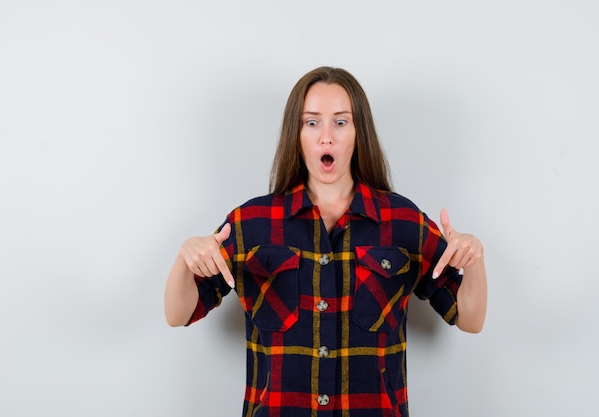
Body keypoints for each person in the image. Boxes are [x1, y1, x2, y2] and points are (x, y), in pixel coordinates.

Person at [165, 66, 487, 417]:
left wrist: (475, 258)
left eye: (341, 122)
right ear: (297, 133)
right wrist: (185, 258)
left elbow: (470, 318)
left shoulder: (402, 222)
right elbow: (178, 313)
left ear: (358, 132)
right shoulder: (250, 224)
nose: (326, 137)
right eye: (312, 122)